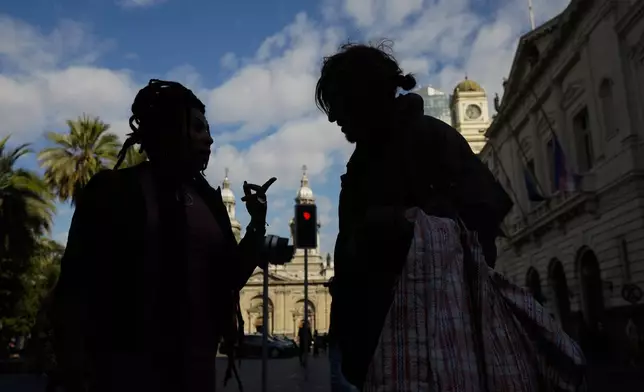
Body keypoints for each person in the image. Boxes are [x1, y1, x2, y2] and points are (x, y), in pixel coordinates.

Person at [51, 79, 276, 392]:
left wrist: (256, 224)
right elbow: (76, 286)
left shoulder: (208, 201)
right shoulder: (115, 191)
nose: (209, 139)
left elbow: (229, 276)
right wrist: (73, 368)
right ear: (169, 127)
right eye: (198, 128)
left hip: (196, 374)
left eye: (209, 131)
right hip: (126, 372)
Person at [315, 43, 513, 389]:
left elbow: (484, 215)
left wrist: (398, 225)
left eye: (337, 103)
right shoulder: (362, 160)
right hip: (372, 353)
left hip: (431, 352)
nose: (333, 118)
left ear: (364, 96)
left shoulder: (430, 138)